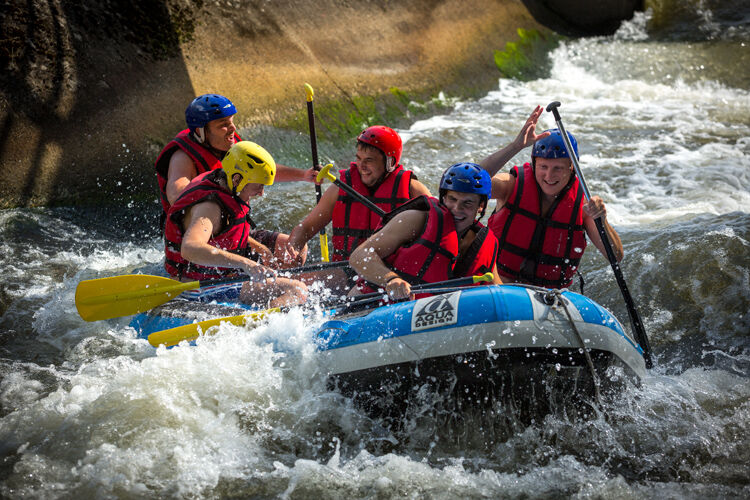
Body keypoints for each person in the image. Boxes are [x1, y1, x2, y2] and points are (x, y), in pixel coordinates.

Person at [155, 93, 317, 263]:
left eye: (232, 121)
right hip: (202, 234)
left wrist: (304, 175)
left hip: (233, 229)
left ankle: (282, 283)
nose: (232, 128)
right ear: (200, 131)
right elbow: (176, 195)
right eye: (223, 125)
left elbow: (258, 170)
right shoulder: (182, 157)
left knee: (293, 251)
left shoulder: (229, 142)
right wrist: (214, 186)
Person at [480, 106, 624, 289]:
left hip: (548, 297)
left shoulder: (584, 207)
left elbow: (616, 256)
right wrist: (515, 147)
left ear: (571, 168)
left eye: (558, 168)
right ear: (534, 164)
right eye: (543, 167)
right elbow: (470, 180)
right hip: (498, 286)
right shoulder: (511, 185)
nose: (549, 176)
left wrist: (600, 220)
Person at [163, 141, 307, 307]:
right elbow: (189, 248)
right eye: (259, 186)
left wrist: (262, 249)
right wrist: (246, 264)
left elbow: (226, 234)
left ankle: (275, 287)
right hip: (197, 285)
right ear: (237, 179)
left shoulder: (225, 183)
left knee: (298, 247)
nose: (261, 193)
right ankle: (262, 323)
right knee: (298, 290)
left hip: (226, 268)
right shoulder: (209, 208)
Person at [286, 125, 431, 290]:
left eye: (369, 160)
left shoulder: (413, 190)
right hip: (348, 269)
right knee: (296, 284)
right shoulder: (340, 188)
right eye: (359, 159)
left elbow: (439, 231)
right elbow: (305, 228)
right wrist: (294, 245)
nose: (361, 166)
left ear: (390, 162)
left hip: (393, 274)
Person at [349, 163, 503, 301]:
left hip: (424, 322)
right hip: (368, 307)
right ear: (443, 198)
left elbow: (500, 293)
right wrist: (390, 279)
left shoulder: (484, 244)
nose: (457, 209)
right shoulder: (417, 219)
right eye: (452, 199)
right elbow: (359, 256)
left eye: (467, 203)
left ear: (481, 206)